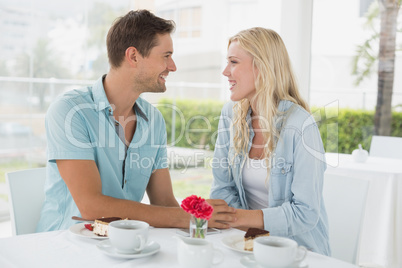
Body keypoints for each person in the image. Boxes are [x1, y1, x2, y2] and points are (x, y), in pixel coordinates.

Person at [36, 10, 235, 232]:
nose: (173, 66)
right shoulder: (70, 111)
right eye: (166, 56)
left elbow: (163, 202)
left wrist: (200, 222)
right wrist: (185, 217)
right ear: (133, 56)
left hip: (124, 245)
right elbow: (91, 207)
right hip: (63, 246)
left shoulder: (154, 121)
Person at [210, 27, 330, 255]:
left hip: (297, 250)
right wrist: (249, 231)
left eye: (234, 62)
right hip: (246, 243)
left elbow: (305, 213)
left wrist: (235, 218)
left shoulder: (301, 125)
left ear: (262, 67)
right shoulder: (230, 115)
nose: (226, 71)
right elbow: (221, 189)